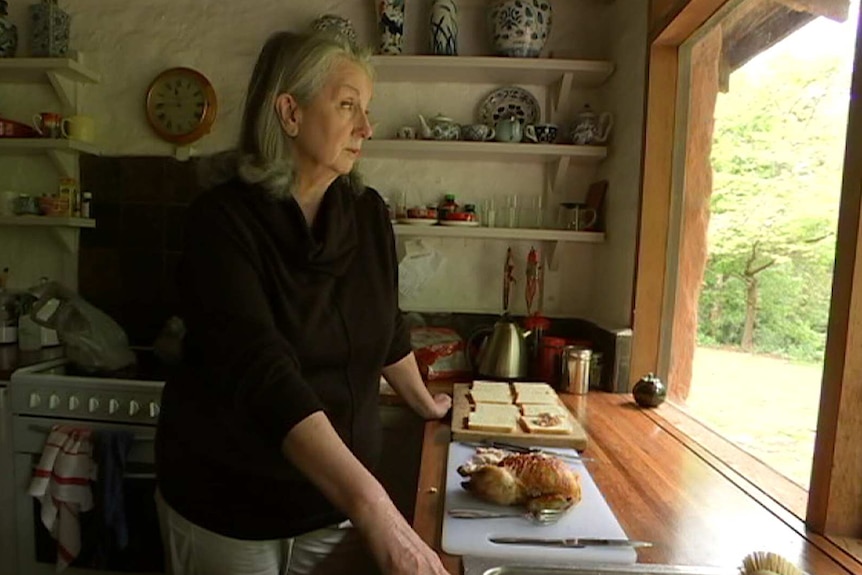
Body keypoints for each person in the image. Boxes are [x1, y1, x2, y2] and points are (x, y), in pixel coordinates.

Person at [154, 30, 453, 575]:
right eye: (347, 106)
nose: (367, 127)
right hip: (230, 509)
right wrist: (377, 509)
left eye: (367, 110)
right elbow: (262, 371)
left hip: (334, 509)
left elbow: (386, 328)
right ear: (289, 113)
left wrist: (425, 401)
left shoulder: (366, 213)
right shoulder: (220, 221)